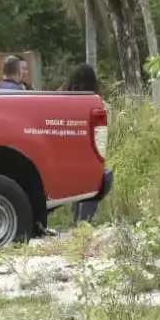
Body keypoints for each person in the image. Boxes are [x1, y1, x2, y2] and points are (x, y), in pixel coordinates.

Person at [63, 64, 102, 223]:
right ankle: (84, 221)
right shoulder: (93, 101)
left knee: (78, 186)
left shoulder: (64, 100)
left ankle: (78, 218)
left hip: (69, 149)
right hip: (89, 148)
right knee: (92, 184)